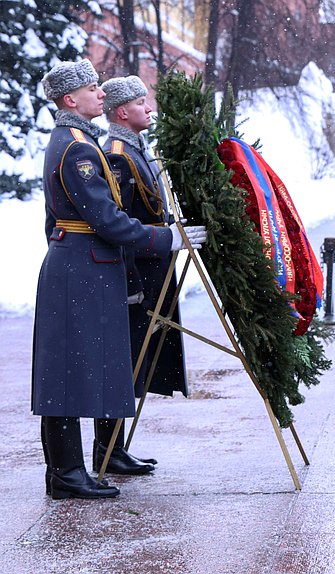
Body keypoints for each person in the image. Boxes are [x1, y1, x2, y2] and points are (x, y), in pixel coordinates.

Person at [32, 59, 206, 500]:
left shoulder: (76, 142)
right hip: (81, 266)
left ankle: (69, 471)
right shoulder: (78, 149)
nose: (102, 94)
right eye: (94, 88)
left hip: (80, 263)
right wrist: (165, 239)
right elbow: (107, 219)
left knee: (75, 369)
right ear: (71, 99)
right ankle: (67, 474)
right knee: (69, 372)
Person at [98, 75, 189, 475]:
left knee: (136, 359)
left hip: (151, 268)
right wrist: (132, 283)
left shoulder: (136, 148)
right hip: (137, 272)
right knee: (125, 362)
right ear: (122, 112)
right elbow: (121, 224)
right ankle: (107, 451)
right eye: (141, 103)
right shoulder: (117, 154)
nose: (149, 109)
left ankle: (114, 448)